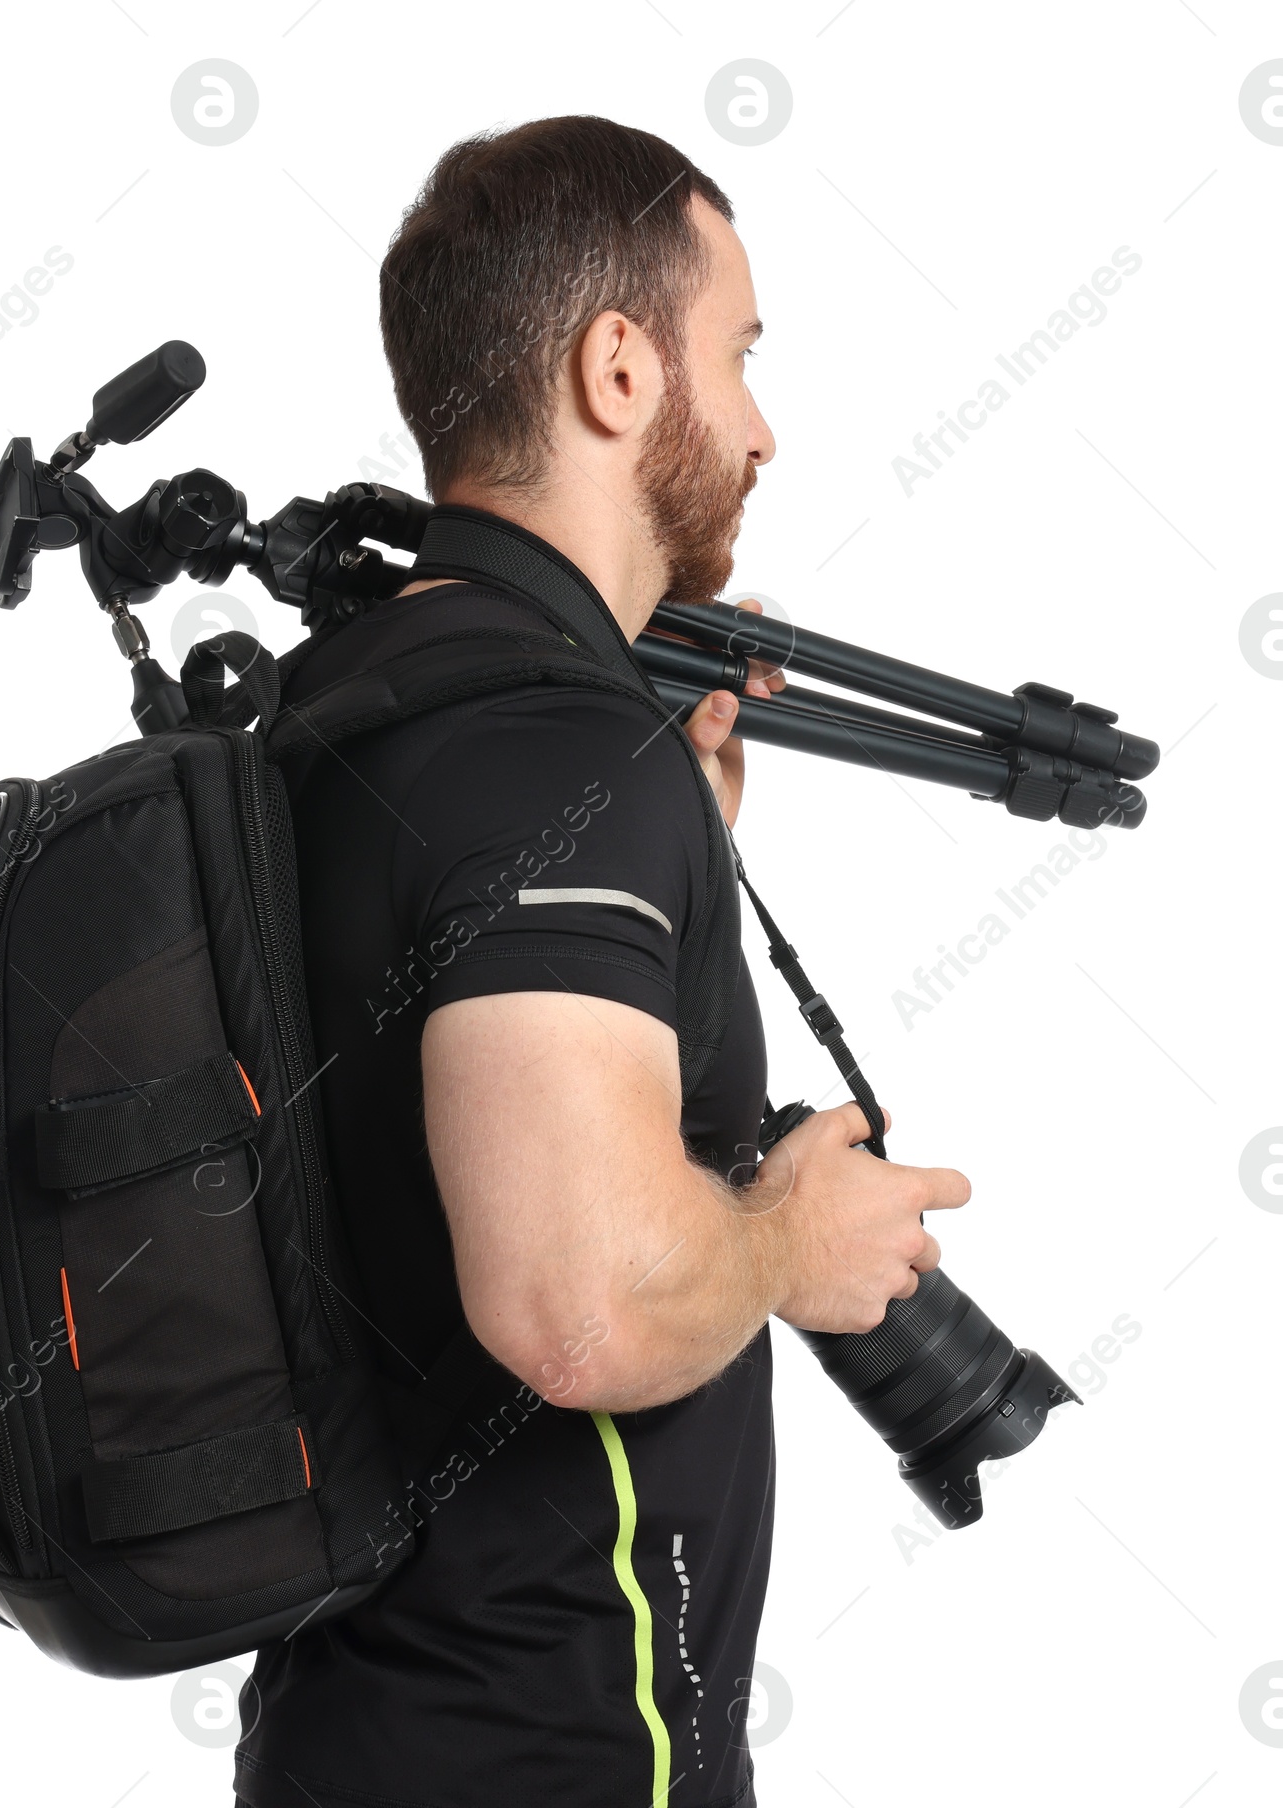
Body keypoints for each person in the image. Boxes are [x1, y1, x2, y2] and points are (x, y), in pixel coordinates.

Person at [235, 115, 970, 1808]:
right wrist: (792, 1237)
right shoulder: (554, 748)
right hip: (545, 1761)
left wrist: (661, 867)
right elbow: (584, 1312)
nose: (768, 428)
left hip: (357, 1731)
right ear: (620, 367)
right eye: (743, 354)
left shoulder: (351, 707)